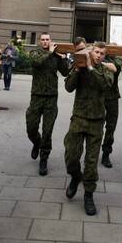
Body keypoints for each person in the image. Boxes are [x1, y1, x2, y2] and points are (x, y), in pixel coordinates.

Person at [64, 42, 113, 216]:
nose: (99, 55)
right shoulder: (80, 66)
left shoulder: (106, 70)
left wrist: (92, 68)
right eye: (96, 52)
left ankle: (88, 195)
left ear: (104, 56)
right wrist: (78, 70)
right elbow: (68, 87)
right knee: (71, 156)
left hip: (96, 122)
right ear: (91, 52)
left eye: (102, 53)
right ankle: (76, 177)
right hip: (78, 119)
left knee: (91, 162)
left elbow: (105, 86)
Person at [26, 33, 69, 175]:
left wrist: (63, 58)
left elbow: (65, 72)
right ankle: (36, 143)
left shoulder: (56, 56)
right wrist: (50, 52)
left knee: (47, 130)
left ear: (51, 41)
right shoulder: (35, 53)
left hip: (51, 98)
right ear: (40, 42)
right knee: (31, 127)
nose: (45, 42)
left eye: (47, 40)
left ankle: (44, 159)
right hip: (36, 96)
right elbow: (37, 63)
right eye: (43, 40)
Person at [100, 43, 122, 168]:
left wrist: (100, 63)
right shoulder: (103, 56)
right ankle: (94, 150)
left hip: (113, 98)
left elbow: (114, 68)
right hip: (101, 97)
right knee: (98, 126)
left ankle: (106, 154)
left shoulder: (118, 60)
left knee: (110, 128)